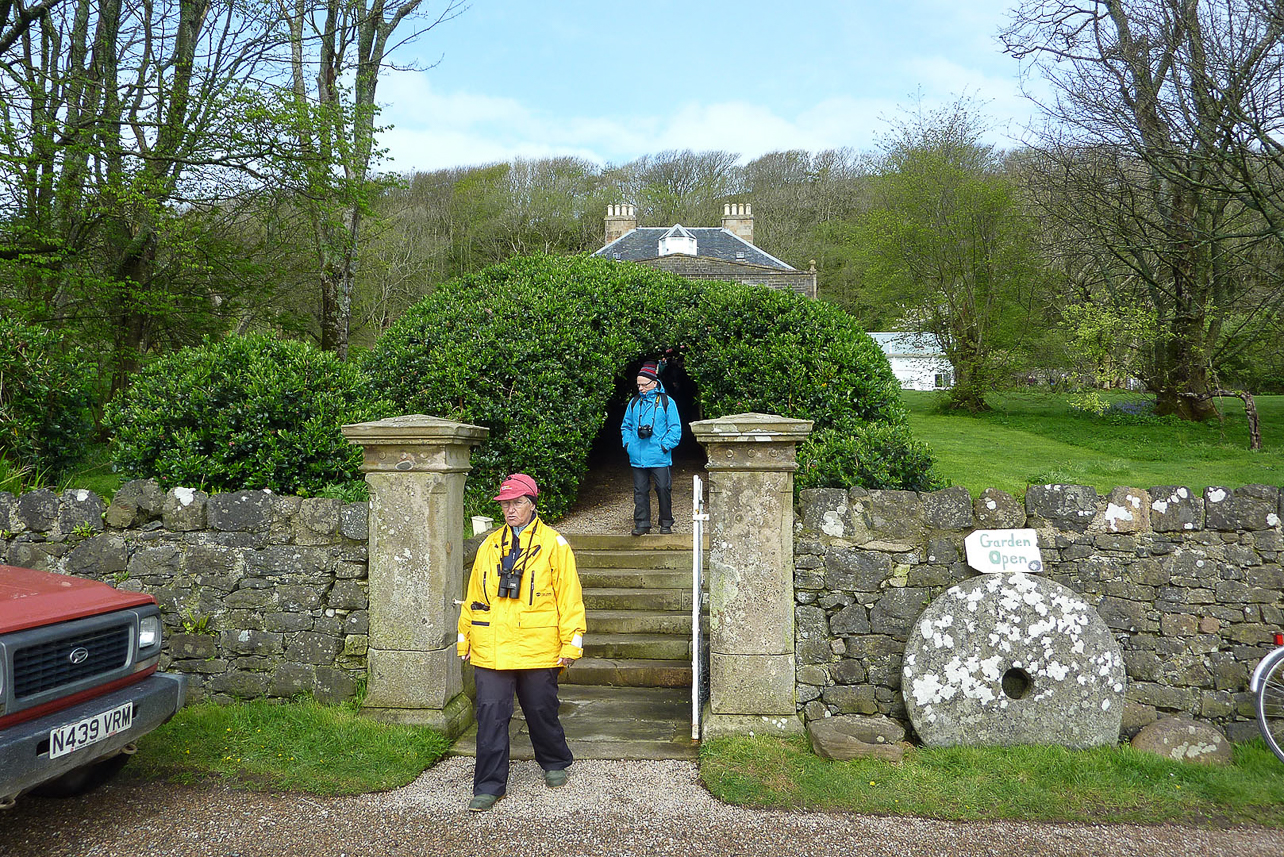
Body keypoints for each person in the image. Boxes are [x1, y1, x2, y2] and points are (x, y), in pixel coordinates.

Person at [457, 473, 586, 812]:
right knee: (491, 714)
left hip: (538, 645)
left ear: (532, 504)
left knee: (541, 709)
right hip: (491, 645)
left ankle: (555, 761)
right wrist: (464, 637)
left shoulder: (554, 544)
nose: (510, 510)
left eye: (517, 503)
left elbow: (570, 598)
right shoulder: (488, 545)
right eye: (505, 504)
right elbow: (473, 596)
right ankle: (488, 785)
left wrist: (571, 644)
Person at [621, 360, 682, 536]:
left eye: (643, 385)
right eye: (638, 385)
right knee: (640, 491)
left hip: (659, 455)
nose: (640, 388)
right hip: (637, 455)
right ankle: (642, 523)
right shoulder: (634, 403)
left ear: (654, 383)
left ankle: (666, 523)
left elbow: (675, 428)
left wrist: (664, 446)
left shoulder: (666, 402)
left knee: (663, 488)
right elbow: (625, 426)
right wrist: (628, 445)